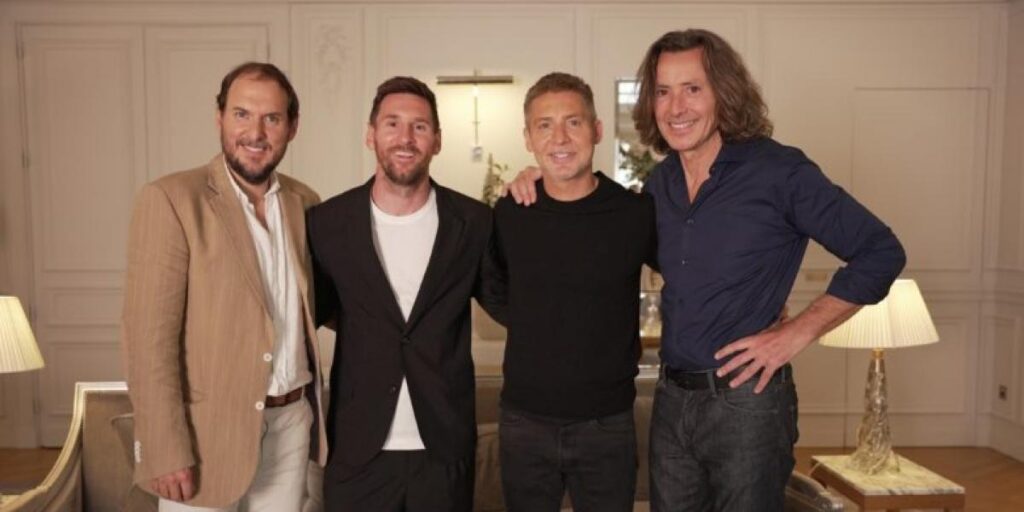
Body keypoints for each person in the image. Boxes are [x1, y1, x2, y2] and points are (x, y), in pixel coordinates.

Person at [507, 29, 906, 511]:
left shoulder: (779, 172)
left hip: (747, 404)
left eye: (692, 89)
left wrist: (796, 332)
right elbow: (608, 238)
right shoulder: (661, 184)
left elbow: (880, 251)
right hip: (671, 401)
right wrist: (544, 178)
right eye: (663, 91)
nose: (676, 107)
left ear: (724, 92)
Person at [122, 62, 326, 511]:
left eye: (272, 118)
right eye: (242, 114)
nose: (256, 132)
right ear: (219, 118)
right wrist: (163, 447)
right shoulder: (172, 200)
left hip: (292, 425)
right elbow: (147, 341)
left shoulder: (305, 202)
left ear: (292, 127)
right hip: (205, 435)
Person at [307, 76, 504, 512]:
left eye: (419, 126)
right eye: (392, 123)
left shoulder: (474, 222)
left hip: (443, 449)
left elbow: (510, 306)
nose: (405, 138)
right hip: (358, 450)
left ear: (437, 140)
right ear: (370, 134)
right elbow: (314, 313)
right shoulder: (326, 223)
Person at [490, 72, 655, 512]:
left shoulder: (636, 214)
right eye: (544, 125)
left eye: (573, 122)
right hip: (524, 421)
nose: (559, 138)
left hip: (607, 423)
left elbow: (690, 276)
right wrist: (537, 321)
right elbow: (492, 288)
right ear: (528, 138)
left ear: (596, 130)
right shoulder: (510, 212)